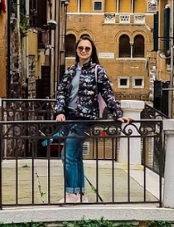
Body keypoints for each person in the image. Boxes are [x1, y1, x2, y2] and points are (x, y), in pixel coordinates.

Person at [53, 34, 132, 203]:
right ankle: (79, 194)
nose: (83, 51)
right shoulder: (70, 71)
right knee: (74, 156)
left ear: (92, 51)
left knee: (67, 154)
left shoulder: (98, 70)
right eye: (81, 48)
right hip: (69, 117)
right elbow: (61, 93)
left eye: (87, 48)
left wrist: (118, 115)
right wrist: (59, 111)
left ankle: (72, 195)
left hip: (86, 118)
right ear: (76, 50)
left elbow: (107, 94)